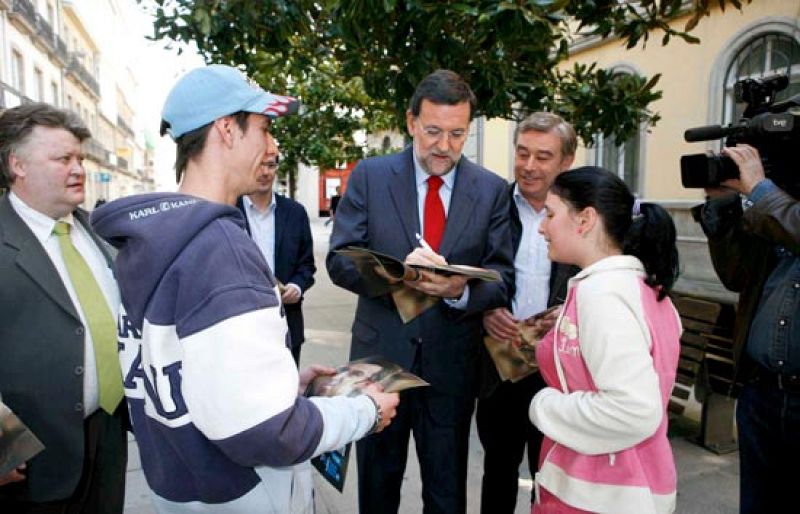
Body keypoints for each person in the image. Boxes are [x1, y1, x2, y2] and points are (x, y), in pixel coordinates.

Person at [90, 64, 399, 513]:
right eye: (264, 129)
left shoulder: (149, 244)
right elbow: (265, 431)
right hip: (241, 494)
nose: (273, 146)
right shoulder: (222, 251)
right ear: (226, 131)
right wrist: (363, 413)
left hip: (179, 488)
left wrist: (282, 387)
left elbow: (191, 374)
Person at [327, 69, 514, 513]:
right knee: (377, 489)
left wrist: (459, 291)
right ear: (411, 122)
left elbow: (502, 277)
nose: (444, 146)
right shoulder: (370, 177)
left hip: (451, 368)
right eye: (432, 131)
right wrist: (398, 276)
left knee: (447, 495)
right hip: (380, 365)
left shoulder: (489, 190)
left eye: (457, 134)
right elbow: (339, 260)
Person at [530, 166, 681, 513]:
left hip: (598, 494)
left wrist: (543, 405)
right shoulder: (637, 287)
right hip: (620, 488)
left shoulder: (602, 293)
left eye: (551, 214)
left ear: (585, 220)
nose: (542, 227)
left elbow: (633, 410)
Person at [0, 103, 129, 512]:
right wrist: (4, 444)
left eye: (80, 159)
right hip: (32, 457)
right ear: (17, 165)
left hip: (108, 433)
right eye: (62, 159)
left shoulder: (100, 231)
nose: (78, 169)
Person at [476, 111, 579, 513]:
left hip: (559, 369)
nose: (529, 166)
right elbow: (468, 269)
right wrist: (485, 308)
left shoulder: (583, 211)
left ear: (566, 161)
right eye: (522, 153)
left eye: (543, 156)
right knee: (498, 468)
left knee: (550, 474)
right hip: (500, 363)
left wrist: (569, 315)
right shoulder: (491, 204)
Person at [695, 144, 799, 514]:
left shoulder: (778, 207)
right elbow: (735, 275)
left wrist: (760, 190)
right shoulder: (779, 213)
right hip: (764, 396)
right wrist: (723, 203)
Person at [236, 133, 316, 365]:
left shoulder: (295, 213)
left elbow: (307, 265)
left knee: (288, 395)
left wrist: (296, 287)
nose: (265, 172)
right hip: (242, 326)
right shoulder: (228, 212)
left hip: (287, 325)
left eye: (270, 165)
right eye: (259, 165)